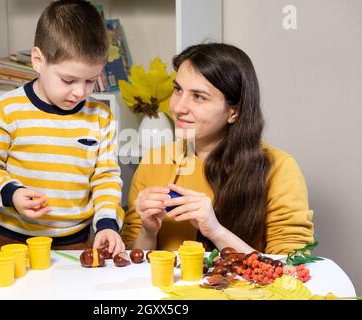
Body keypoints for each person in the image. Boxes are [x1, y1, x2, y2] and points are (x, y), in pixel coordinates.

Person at [121, 43, 314, 254]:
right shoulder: (154, 161)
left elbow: (291, 270)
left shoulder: (280, 169)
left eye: (199, 96)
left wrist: (215, 231)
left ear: (234, 112)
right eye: (178, 90)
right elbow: (130, 262)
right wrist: (148, 233)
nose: (177, 107)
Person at [0, 0, 125, 256]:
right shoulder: (6, 109)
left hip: (75, 243)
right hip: (13, 241)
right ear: (38, 60)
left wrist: (107, 222)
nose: (79, 92)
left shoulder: (101, 117)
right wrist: (11, 193)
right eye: (68, 80)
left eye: (90, 81)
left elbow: (106, 177)